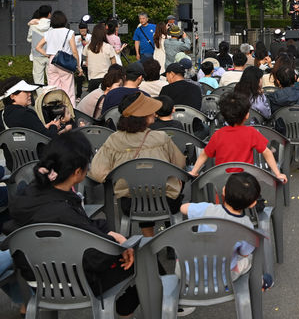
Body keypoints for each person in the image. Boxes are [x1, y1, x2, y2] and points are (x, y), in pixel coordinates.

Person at [9, 131, 139, 317]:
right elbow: (96, 256)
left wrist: (111, 235)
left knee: (116, 241)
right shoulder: (63, 210)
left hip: (38, 279)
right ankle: (128, 310)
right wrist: (118, 245)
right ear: (78, 172)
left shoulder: (29, 195)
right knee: (142, 260)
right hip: (75, 281)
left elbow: (83, 229)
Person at [89, 92, 186, 237]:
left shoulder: (113, 140)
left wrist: (118, 176)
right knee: (159, 186)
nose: (154, 113)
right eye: (150, 111)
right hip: (167, 202)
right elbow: (180, 164)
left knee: (140, 190)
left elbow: (97, 172)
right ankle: (168, 236)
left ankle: (148, 238)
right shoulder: (161, 138)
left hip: (131, 204)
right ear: (143, 116)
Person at [180, 173, 272, 287]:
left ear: (223, 191)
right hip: (222, 277)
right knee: (249, 259)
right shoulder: (246, 226)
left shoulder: (207, 209)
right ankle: (261, 282)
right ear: (253, 204)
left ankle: (190, 299)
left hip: (190, 273)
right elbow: (243, 253)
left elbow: (183, 208)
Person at [189, 93, 287, 182]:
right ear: (247, 115)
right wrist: (277, 173)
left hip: (223, 181)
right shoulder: (251, 132)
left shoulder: (218, 134)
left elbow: (204, 154)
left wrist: (194, 171)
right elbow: (267, 152)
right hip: (246, 181)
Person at [35, 10, 82, 104]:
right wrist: (78, 66)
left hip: (53, 60)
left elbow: (38, 47)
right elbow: (74, 51)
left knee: (53, 89)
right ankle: (70, 112)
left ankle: (54, 110)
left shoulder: (48, 33)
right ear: (64, 20)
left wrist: (48, 55)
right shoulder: (69, 32)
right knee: (68, 90)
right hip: (65, 62)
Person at [0, 77, 70, 138]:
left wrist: (44, 127)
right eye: (25, 91)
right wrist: (54, 126)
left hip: (13, 152)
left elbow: (24, 133)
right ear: (12, 96)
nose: (30, 93)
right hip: (36, 152)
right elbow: (50, 137)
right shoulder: (26, 113)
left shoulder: (4, 113)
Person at [84, 23, 117, 93]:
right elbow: (114, 65)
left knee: (94, 101)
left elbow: (86, 64)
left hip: (92, 79)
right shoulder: (108, 47)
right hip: (106, 78)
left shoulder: (88, 47)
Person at [27, 5, 52, 84]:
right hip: (49, 53)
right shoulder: (52, 25)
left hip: (37, 53)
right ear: (49, 14)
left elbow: (29, 39)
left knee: (38, 78)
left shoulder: (33, 24)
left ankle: (40, 95)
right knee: (51, 77)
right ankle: (51, 95)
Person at [75, 21, 90, 98]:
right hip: (80, 61)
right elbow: (73, 47)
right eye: (81, 30)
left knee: (89, 78)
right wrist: (79, 41)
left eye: (84, 30)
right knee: (79, 79)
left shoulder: (90, 37)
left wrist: (86, 42)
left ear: (87, 29)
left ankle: (91, 94)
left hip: (89, 61)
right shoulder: (76, 37)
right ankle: (78, 95)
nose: (82, 32)